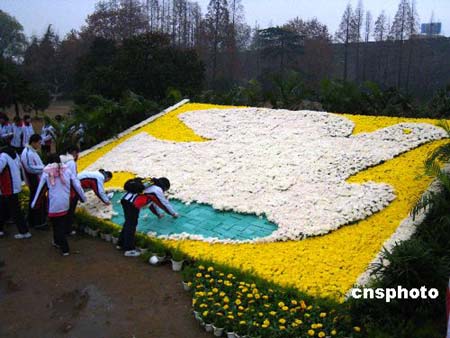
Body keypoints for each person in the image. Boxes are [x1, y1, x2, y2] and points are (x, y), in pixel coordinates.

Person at [31, 153, 86, 256]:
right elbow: (77, 185)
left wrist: (35, 204)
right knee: (60, 223)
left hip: (54, 204)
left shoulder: (47, 173)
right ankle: (57, 242)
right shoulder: (67, 170)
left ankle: (65, 249)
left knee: (57, 225)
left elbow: (41, 190)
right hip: (65, 202)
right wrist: (83, 198)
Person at [118, 177, 179, 257]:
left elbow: (151, 203)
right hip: (131, 204)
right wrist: (173, 213)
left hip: (126, 201)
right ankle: (129, 250)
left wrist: (158, 214)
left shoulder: (149, 185)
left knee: (128, 223)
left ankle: (120, 244)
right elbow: (164, 203)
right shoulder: (157, 190)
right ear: (165, 187)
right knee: (131, 225)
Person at [0, 145, 31, 239]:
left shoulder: (3, 156)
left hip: (8, 186)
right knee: (3, 206)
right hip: (14, 184)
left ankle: (24, 231)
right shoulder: (14, 154)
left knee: (15, 210)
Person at [21, 134, 46, 229]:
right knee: (37, 200)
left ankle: (34, 221)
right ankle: (37, 222)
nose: (39, 145)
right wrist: (43, 168)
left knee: (36, 200)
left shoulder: (32, 151)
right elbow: (30, 168)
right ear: (33, 142)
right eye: (39, 143)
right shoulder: (27, 153)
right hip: (34, 180)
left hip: (38, 179)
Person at [61, 145, 80, 235]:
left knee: (65, 210)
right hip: (70, 190)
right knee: (70, 210)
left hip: (61, 188)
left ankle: (64, 228)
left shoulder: (61, 159)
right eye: (77, 153)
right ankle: (67, 229)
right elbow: (73, 178)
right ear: (74, 152)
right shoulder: (71, 162)